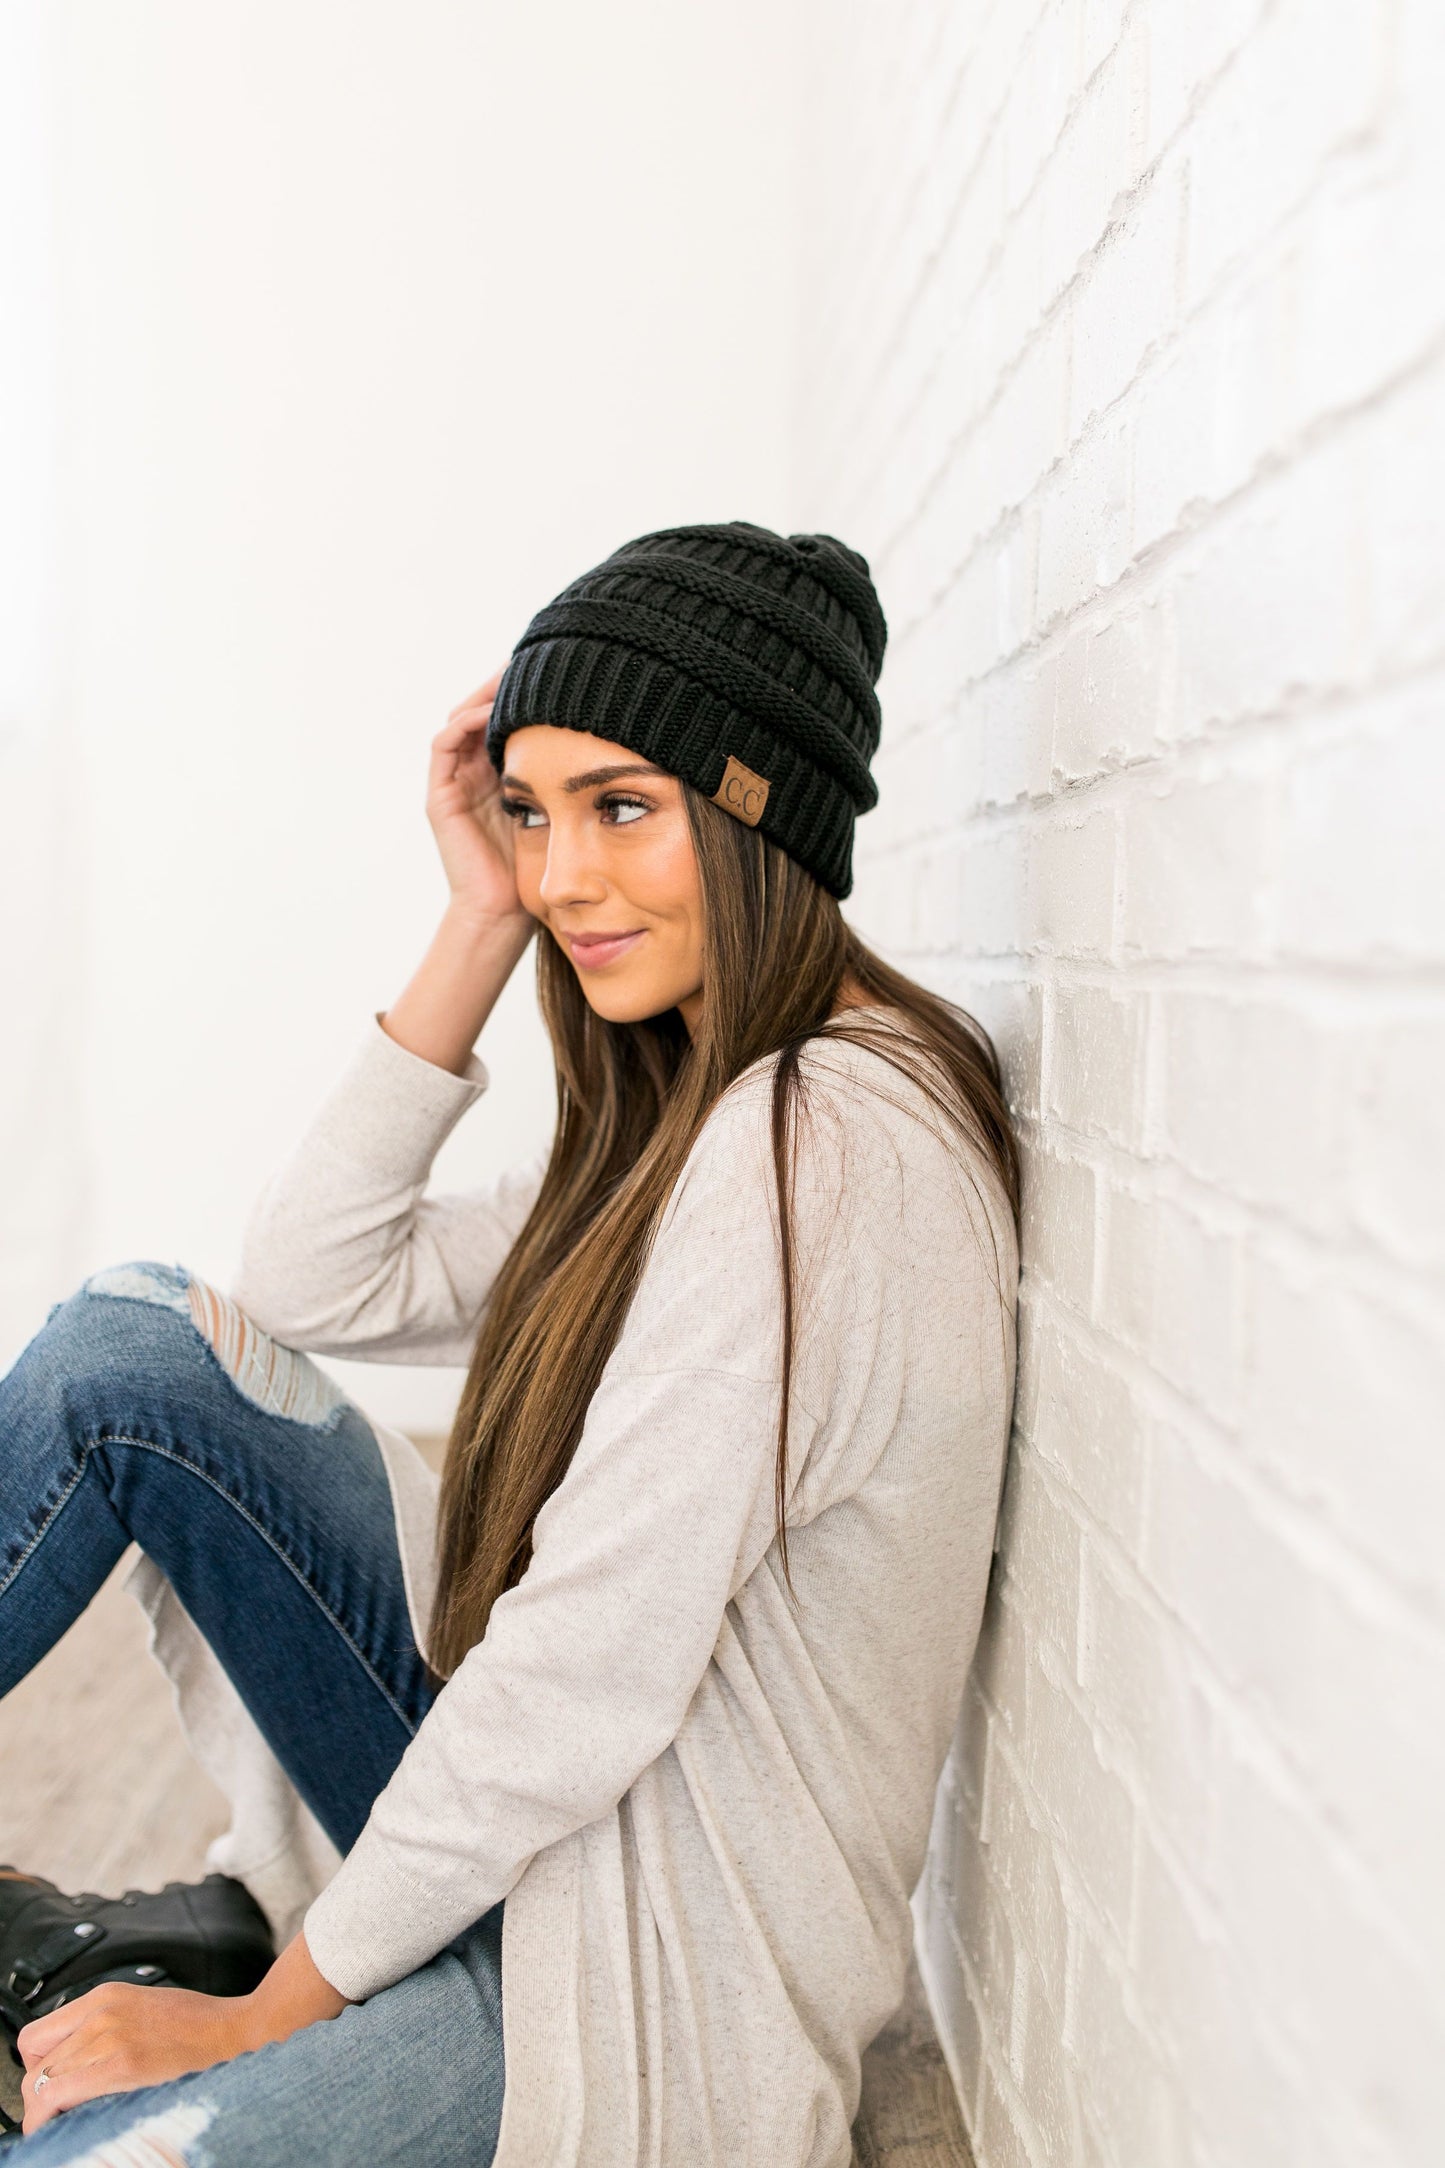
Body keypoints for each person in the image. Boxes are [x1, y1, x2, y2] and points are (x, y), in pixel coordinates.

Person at [0, 520, 1020, 2166]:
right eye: (532, 818)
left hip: (628, 1989)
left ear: (765, 812)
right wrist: (473, 919)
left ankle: (241, 1976)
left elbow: (583, 1667)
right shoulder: (699, 1110)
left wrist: (268, 2018)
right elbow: (315, 1275)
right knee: (140, 1343)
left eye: (623, 808)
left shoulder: (817, 1159)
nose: (560, 877)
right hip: (532, 1852)